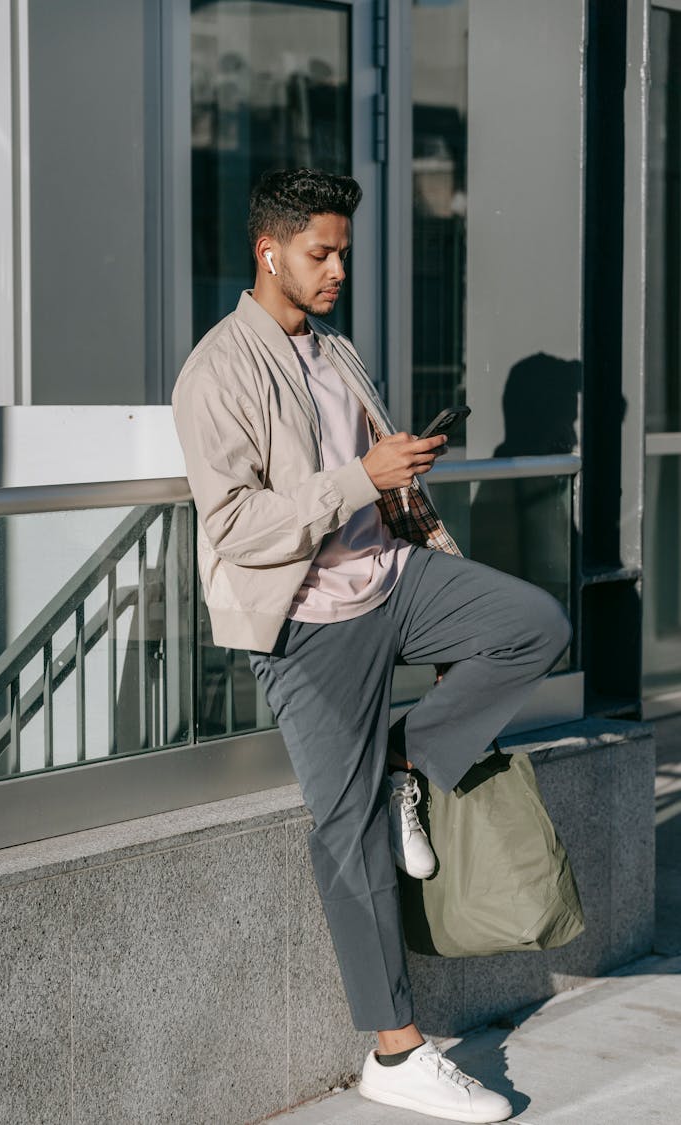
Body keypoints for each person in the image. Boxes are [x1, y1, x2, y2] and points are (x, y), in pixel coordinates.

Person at [172, 167, 571, 1123]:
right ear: (270, 252)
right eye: (322, 252)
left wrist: (398, 474)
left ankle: (406, 757)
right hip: (308, 620)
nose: (339, 267)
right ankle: (395, 1053)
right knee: (343, 831)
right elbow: (235, 524)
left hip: (395, 576)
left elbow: (363, 479)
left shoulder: (336, 351)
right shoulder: (218, 368)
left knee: (534, 626)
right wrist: (359, 475)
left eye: (344, 250)